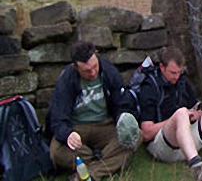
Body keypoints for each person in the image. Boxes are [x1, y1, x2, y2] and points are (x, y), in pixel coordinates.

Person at [47, 41, 141, 180]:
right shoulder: (66, 80)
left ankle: (89, 173)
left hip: (105, 124)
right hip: (77, 128)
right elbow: (57, 118)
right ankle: (109, 161)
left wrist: (123, 117)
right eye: (86, 71)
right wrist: (68, 134)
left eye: (95, 67)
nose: (93, 73)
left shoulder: (109, 71)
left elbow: (122, 102)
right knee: (57, 152)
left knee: (136, 135)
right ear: (76, 67)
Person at [139, 46, 202, 181]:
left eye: (179, 72)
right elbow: (146, 133)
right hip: (162, 146)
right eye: (172, 73)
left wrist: (197, 114)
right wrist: (177, 119)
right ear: (162, 67)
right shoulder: (149, 87)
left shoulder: (182, 82)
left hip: (186, 140)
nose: (176, 77)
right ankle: (197, 169)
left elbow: (195, 105)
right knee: (181, 113)